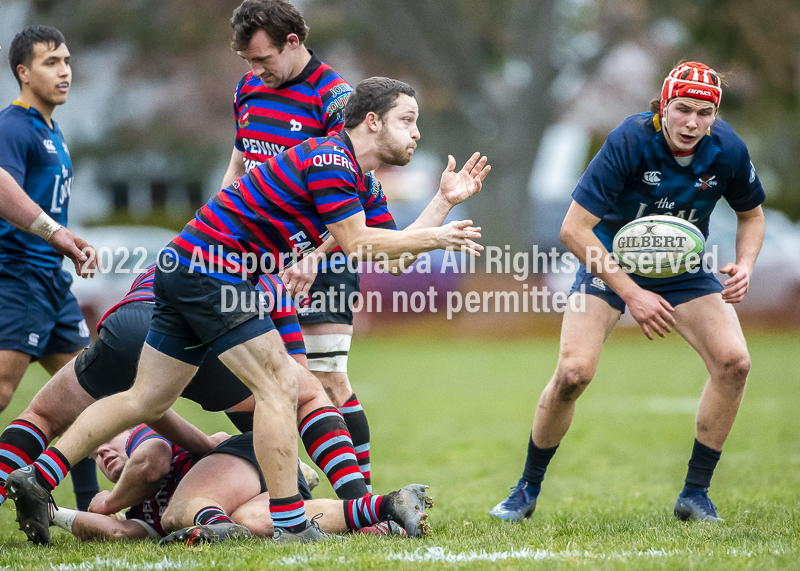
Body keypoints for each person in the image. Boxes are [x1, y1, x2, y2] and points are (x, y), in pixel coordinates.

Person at [7, 76, 489, 545]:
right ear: (371, 122)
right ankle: (291, 524)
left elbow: (395, 258)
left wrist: (442, 204)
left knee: (146, 400)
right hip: (212, 271)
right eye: (408, 120)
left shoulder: (362, 183)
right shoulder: (329, 158)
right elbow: (358, 242)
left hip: (185, 268)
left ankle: (37, 476)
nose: (417, 133)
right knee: (280, 385)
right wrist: (437, 237)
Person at [489, 61, 765, 523]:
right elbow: (574, 231)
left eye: (703, 113)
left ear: (715, 115)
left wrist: (746, 265)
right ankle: (526, 489)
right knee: (574, 373)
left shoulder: (727, 149)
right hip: (609, 263)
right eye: (682, 110)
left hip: (681, 268)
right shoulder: (630, 140)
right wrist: (632, 293)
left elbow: (752, 215)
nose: (692, 123)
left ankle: (695, 494)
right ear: (663, 105)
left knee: (734, 362)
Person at [0, 264, 380, 526]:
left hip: (127, 324)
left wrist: (206, 446)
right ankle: (363, 508)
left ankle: (41, 472)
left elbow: (149, 403)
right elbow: (287, 391)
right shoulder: (262, 266)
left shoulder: (183, 245)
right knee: (306, 396)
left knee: (43, 415)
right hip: (195, 336)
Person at [222, 0, 377, 491]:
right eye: (248, 61)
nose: (256, 70)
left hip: (321, 257)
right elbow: (241, 160)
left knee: (327, 379)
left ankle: (364, 498)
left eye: (263, 58)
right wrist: (219, 222)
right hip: (258, 256)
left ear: (293, 42)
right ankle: (292, 481)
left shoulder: (334, 98)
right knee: (256, 383)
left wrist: (315, 254)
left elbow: (353, 187)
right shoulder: (249, 87)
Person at [0, 25, 100, 512]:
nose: (64, 71)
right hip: (19, 275)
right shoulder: (13, 125)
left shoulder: (52, 129)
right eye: (50, 62)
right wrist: (56, 235)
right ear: (23, 72)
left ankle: (85, 504)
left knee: (85, 392)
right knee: (2, 390)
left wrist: (66, 241)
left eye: (66, 60)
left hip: (52, 283)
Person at [51, 426, 428, 543]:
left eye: (104, 442)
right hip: (252, 489)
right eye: (96, 457)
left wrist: (107, 501)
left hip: (245, 456)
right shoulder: (137, 511)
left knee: (176, 514)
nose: (101, 450)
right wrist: (54, 513)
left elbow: (151, 463)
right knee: (262, 523)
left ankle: (217, 529)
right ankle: (388, 508)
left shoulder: (141, 438)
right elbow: (117, 534)